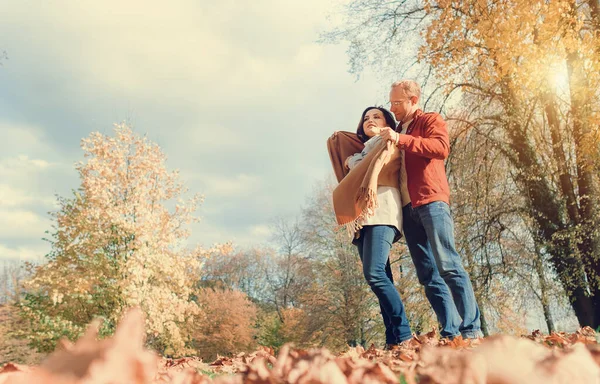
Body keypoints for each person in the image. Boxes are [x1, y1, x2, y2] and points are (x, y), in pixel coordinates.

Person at [380, 80, 482, 339]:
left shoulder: (429, 120)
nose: (392, 108)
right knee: (427, 275)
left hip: (431, 202)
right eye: (390, 103)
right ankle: (450, 332)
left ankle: (471, 330)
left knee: (448, 264)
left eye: (397, 103)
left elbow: (440, 148)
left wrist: (402, 139)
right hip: (407, 208)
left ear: (413, 100)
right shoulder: (395, 129)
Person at [329, 106, 412, 348]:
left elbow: (368, 165)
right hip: (364, 217)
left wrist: (352, 160)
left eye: (376, 116)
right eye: (365, 118)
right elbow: (357, 160)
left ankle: (405, 335)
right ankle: (392, 340)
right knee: (381, 277)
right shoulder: (365, 148)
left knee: (374, 274)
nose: (369, 120)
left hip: (383, 212)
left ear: (387, 122)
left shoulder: (387, 142)